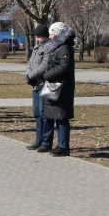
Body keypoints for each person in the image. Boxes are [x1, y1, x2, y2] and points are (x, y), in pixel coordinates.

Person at [41, 22, 75, 156]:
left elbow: (64, 67)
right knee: (56, 116)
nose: (49, 36)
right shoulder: (58, 47)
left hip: (62, 88)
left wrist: (47, 75)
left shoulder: (65, 48)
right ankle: (60, 144)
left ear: (59, 34)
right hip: (55, 86)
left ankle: (63, 146)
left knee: (61, 117)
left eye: (52, 33)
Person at [25, 24, 52, 150]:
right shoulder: (36, 47)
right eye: (36, 37)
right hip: (35, 85)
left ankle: (46, 142)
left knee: (44, 114)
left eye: (39, 37)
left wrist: (32, 75)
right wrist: (28, 74)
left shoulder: (48, 47)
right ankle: (38, 140)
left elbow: (44, 66)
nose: (37, 39)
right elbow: (30, 62)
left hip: (43, 84)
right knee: (37, 113)